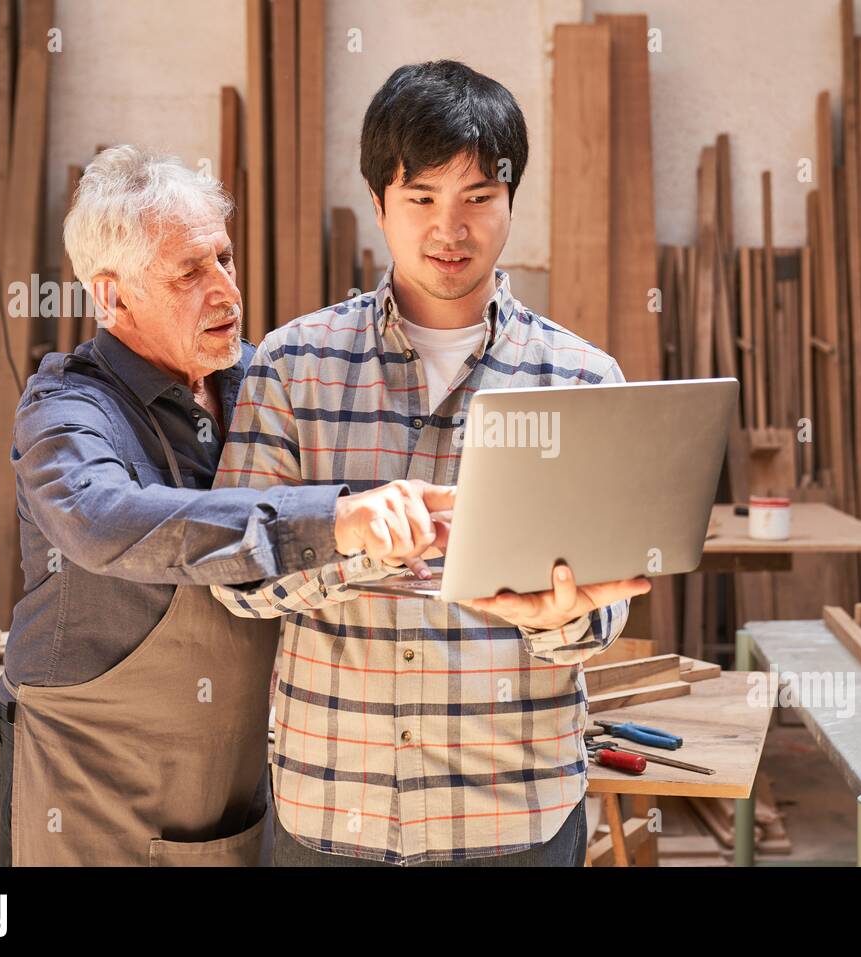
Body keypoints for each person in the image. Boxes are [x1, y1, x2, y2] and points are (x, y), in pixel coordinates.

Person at [212, 61, 650, 867]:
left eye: (478, 198)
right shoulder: (293, 364)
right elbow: (233, 574)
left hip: (512, 816)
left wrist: (559, 617)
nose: (450, 228)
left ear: (512, 203)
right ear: (378, 203)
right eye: (421, 199)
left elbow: (602, 610)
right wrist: (347, 541)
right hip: (333, 804)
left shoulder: (583, 380)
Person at [0, 146, 451, 865]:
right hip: (88, 783)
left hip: (232, 774)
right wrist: (328, 519)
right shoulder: (66, 408)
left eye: (225, 260)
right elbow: (102, 518)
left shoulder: (255, 384)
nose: (226, 292)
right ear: (111, 298)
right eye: (189, 272)